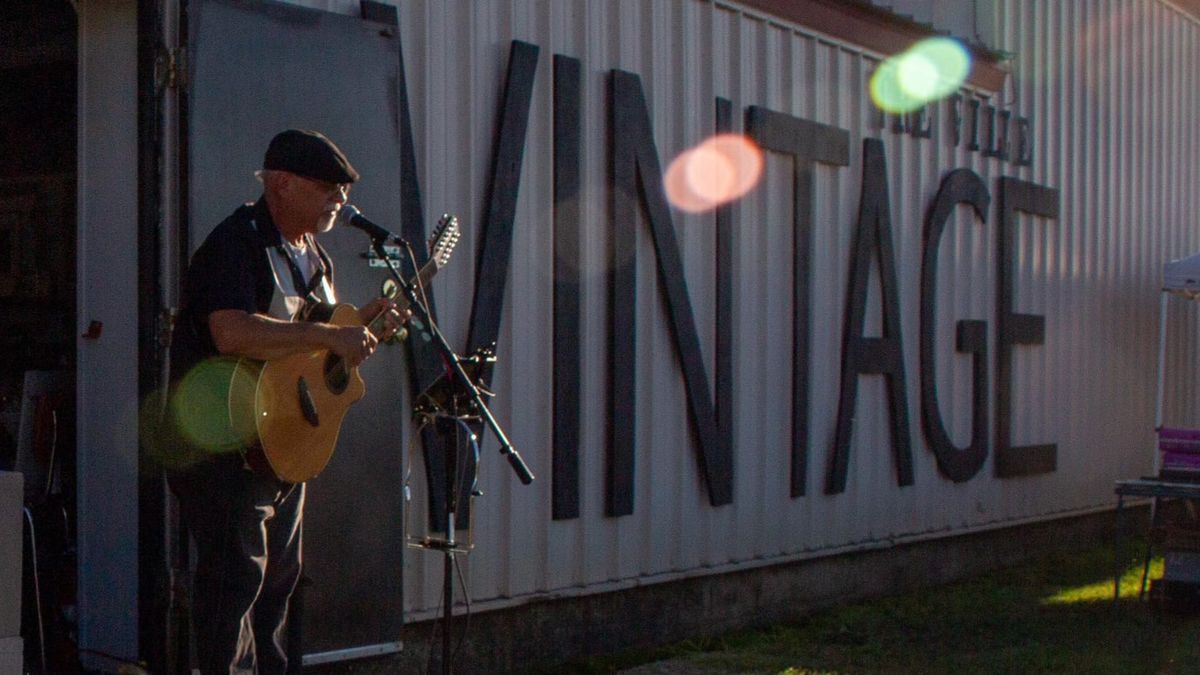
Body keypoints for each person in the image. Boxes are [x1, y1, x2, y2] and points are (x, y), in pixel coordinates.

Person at [166, 129, 405, 674]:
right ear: (281, 183)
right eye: (327, 188)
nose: (339, 202)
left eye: (343, 192)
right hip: (226, 449)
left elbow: (313, 354)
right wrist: (328, 338)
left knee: (277, 585)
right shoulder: (235, 244)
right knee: (235, 589)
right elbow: (231, 332)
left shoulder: (313, 256)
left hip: (284, 445)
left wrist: (366, 327)